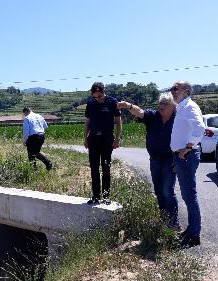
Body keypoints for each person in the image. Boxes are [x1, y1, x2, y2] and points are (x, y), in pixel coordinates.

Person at [118, 93, 181, 230]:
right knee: (159, 191)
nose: (161, 106)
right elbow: (140, 112)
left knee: (167, 191)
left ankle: (174, 222)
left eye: (165, 103)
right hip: (155, 160)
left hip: (170, 160)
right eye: (160, 103)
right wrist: (128, 106)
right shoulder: (153, 117)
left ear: (173, 107)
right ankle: (164, 219)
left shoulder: (178, 120)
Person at [170, 80, 206, 248]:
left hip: (186, 156)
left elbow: (199, 128)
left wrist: (188, 147)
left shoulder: (190, 106)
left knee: (189, 195)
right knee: (187, 194)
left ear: (186, 90)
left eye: (175, 89)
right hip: (182, 156)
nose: (173, 92)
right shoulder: (182, 107)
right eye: (172, 89)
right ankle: (191, 229)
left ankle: (194, 234)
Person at [84, 82, 122, 205]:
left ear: (103, 92)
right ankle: (95, 196)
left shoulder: (112, 102)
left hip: (107, 139)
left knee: (106, 168)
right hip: (93, 139)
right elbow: (87, 122)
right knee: (94, 168)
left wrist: (117, 138)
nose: (97, 98)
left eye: (99, 96)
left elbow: (118, 121)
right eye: (95, 96)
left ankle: (106, 197)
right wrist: (85, 138)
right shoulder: (90, 103)